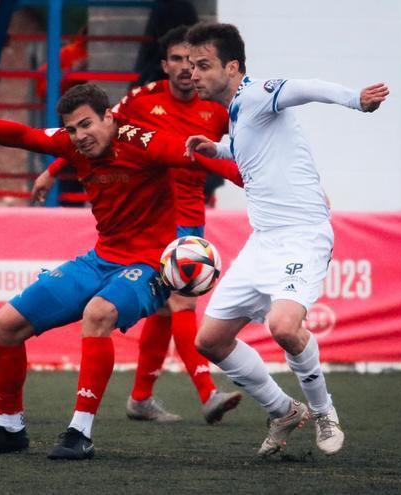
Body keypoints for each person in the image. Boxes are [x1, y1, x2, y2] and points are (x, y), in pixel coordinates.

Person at [0, 83, 241, 460]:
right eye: (72, 129)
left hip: (148, 265)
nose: (79, 136)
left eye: (86, 125)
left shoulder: (144, 142)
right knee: (3, 325)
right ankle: (10, 428)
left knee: (98, 313)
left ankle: (80, 433)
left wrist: (263, 185)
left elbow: (200, 155)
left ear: (109, 116)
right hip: (101, 259)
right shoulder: (72, 144)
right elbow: (22, 135)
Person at [184, 23, 389, 456]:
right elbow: (249, 149)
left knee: (283, 327)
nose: (194, 74)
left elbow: (304, 87)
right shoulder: (238, 111)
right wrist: (216, 148)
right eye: (190, 65)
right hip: (264, 241)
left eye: (203, 65)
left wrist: (357, 101)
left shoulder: (258, 92)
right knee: (210, 341)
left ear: (233, 66)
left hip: (302, 237)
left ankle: (323, 411)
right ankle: (283, 410)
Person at [100, 26, 243, 424]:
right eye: (177, 60)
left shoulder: (216, 108)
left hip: (192, 220)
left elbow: (245, 152)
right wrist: (52, 171)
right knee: (181, 303)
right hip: (153, 220)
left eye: (193, 62)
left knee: (166, 311)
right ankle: (208, 393)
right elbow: (100, 134)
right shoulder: (142, 100)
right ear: (164, 65)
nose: (186, 69)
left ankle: (141, 398)